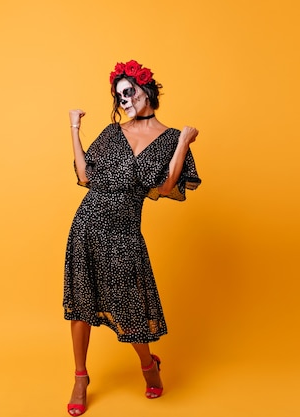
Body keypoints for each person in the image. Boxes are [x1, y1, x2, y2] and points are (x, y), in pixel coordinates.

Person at [63, 60, 201, 416]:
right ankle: (81, 377)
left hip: (124, 230)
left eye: (129, 92)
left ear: (147, 90)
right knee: (81, 302)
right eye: (119, 96)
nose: (124, 100)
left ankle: (147, 364)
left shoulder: (171, 138)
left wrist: (184, 142)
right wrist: (74, 129)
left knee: (130, 306)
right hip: (87, 223)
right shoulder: (112, 134)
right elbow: (84, 176)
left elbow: (167, 186)